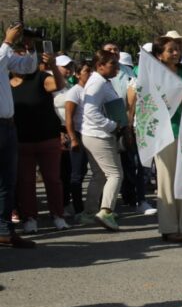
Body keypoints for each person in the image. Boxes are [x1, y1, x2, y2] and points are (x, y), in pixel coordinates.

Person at [128, 36, 182, 243]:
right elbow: (144, 98)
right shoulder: (150, 74)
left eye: (177, 49)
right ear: (159, 55)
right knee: (166, 181)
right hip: (163, 134)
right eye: (171, 50)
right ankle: (168, 227)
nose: (176, 53)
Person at [11, 53, 67, 232]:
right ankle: (29, 218)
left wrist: (52, 66)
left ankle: (58, 216)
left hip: (48, 138)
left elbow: (59, 85)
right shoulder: (5, 83)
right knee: (25, 182)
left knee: (53, 180)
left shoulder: (41, 78)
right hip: (21, 141)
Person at [103, 42, 154, 214]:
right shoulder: (100, 73)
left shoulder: (127, 72)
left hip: (130, 125)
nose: (113, 52)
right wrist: (128, 126)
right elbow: (130, 106)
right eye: (109, 50)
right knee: (117, 167)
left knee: (135, 165)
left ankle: (134, 198)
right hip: (108, 124)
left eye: (116, 49)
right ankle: (110, 203)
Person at [1, 24, 39, 248]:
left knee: (7, 181)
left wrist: (30, 48)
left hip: (7, 125)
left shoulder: (3, 54)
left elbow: (26, 68)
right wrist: (7, 43)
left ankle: (5, 230)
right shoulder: (2, 51)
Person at [81, 49, 125, 232]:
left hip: (95, 135)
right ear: (100, 66)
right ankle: (106, 211)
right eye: (112, 64)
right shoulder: (97, 84)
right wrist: (111, 126)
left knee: (99, 174)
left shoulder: (101, 82)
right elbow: (90, 112)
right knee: (115, 174)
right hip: (99, 136)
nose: (117, 68)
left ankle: (89, 212)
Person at [63, 60, 93, 220]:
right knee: (77, 175)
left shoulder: (91, 90)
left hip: (91, 135)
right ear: (77, 74)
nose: (90, 74)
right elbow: (69, 118)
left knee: (89, 172)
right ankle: (78, 210)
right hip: (79, 135)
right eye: (87, 71)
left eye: (92, 71)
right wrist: (73, 139)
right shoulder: (75, 91)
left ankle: (91, 208)